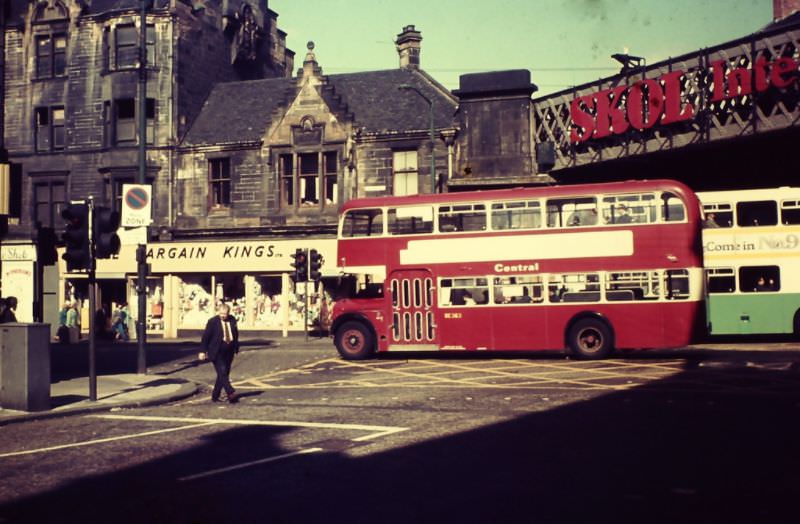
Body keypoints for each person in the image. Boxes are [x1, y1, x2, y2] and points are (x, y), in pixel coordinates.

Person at [200, 302, 240, 403]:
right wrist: (202, 351)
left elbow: (235, 333)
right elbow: (205, 337)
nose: (222, 316)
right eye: (221, 313)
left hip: (229, 350)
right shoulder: (212, 322)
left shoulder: (232, 319)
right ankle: (230, 392)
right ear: (218, 312)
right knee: (222, 371)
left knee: (223, 374)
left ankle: (215, 396)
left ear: (228, 313)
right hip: (216, 351)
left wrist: (236, 346)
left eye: (224, 314)